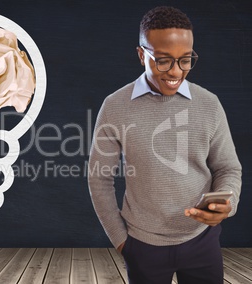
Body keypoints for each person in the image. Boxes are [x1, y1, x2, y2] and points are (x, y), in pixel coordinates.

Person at [87, 6, 242, 284]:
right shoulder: (114, 107)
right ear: (141, 55)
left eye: (185, 60)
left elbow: (228, 168)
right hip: (142, 246)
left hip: (202, 242)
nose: (176, 71)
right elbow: (99, 179)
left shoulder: (209, 104)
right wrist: (123, 243)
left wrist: (227, 201)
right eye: (163, 60)